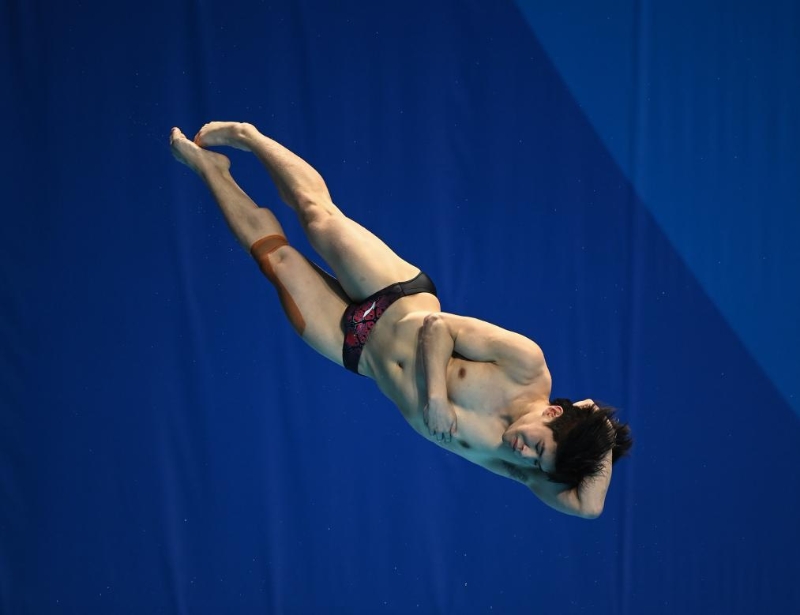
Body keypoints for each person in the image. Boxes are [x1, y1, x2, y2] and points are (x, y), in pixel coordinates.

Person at [169, 122, 632, 519]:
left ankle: (211, 169)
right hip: (396, 297)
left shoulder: (513, 464)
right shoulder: (527, 366)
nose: (524, 455)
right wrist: (436, 399)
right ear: (551, 413)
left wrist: (605, 434)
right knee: (316, 215)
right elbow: (439, 328)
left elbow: (588, 508)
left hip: (356, 352)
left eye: (536, 463)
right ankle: (251, 138)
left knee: (276, 261)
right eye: (537, 447)